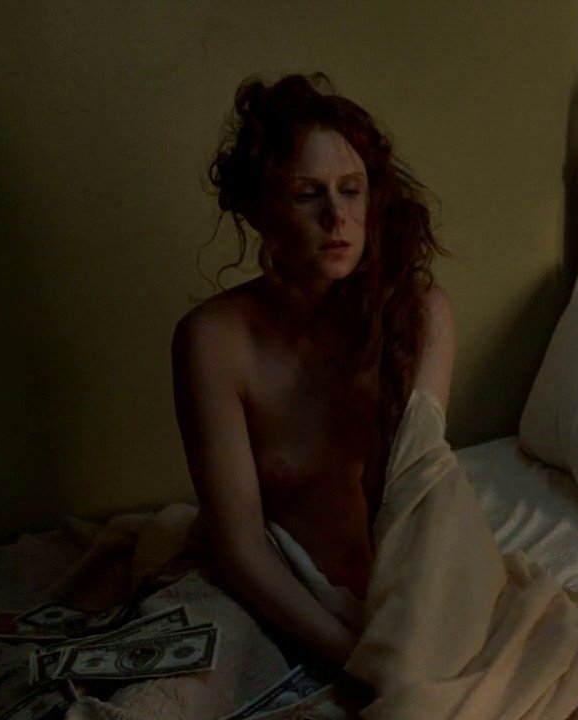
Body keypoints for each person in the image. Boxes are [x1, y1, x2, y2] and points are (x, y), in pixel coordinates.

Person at [171, 73, 455, 669]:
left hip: (397, 591)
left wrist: (402, 639)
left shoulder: (419, 316)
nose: (337, 217)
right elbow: (242, 548)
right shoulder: (213, 341)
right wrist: (350, 657)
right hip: (278, 595)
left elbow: (420, 499)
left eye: (352, 191)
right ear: (260, 209)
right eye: (308, 195)